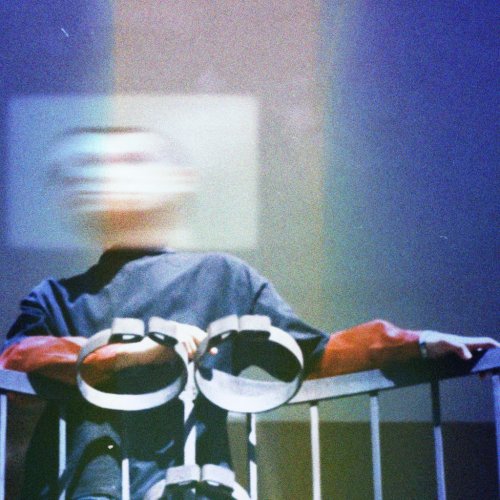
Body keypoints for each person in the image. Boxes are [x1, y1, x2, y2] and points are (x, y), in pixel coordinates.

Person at [1, 127, 498, 499]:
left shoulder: (221, 276)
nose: (109, 175)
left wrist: (418, 344)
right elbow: (14, 362)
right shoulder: (54, 297)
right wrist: (134, 353)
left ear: (176, 182)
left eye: (132, 160)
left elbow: (314, 356)